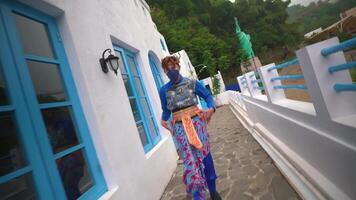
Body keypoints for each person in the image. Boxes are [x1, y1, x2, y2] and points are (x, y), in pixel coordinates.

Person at [159, 55, 221, 200]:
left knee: (205, 156)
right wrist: (163, 121)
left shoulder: (192, 83)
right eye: (167, 69)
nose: (171, 71)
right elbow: (166, 110)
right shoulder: (163, 91)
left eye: (173, 67)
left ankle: (212, 190)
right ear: (164, 71)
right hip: (180, 129)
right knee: (189, 161)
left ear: (178, 67)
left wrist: (211, 108)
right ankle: (197, 195)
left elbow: (207, 96)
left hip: (197, 125)